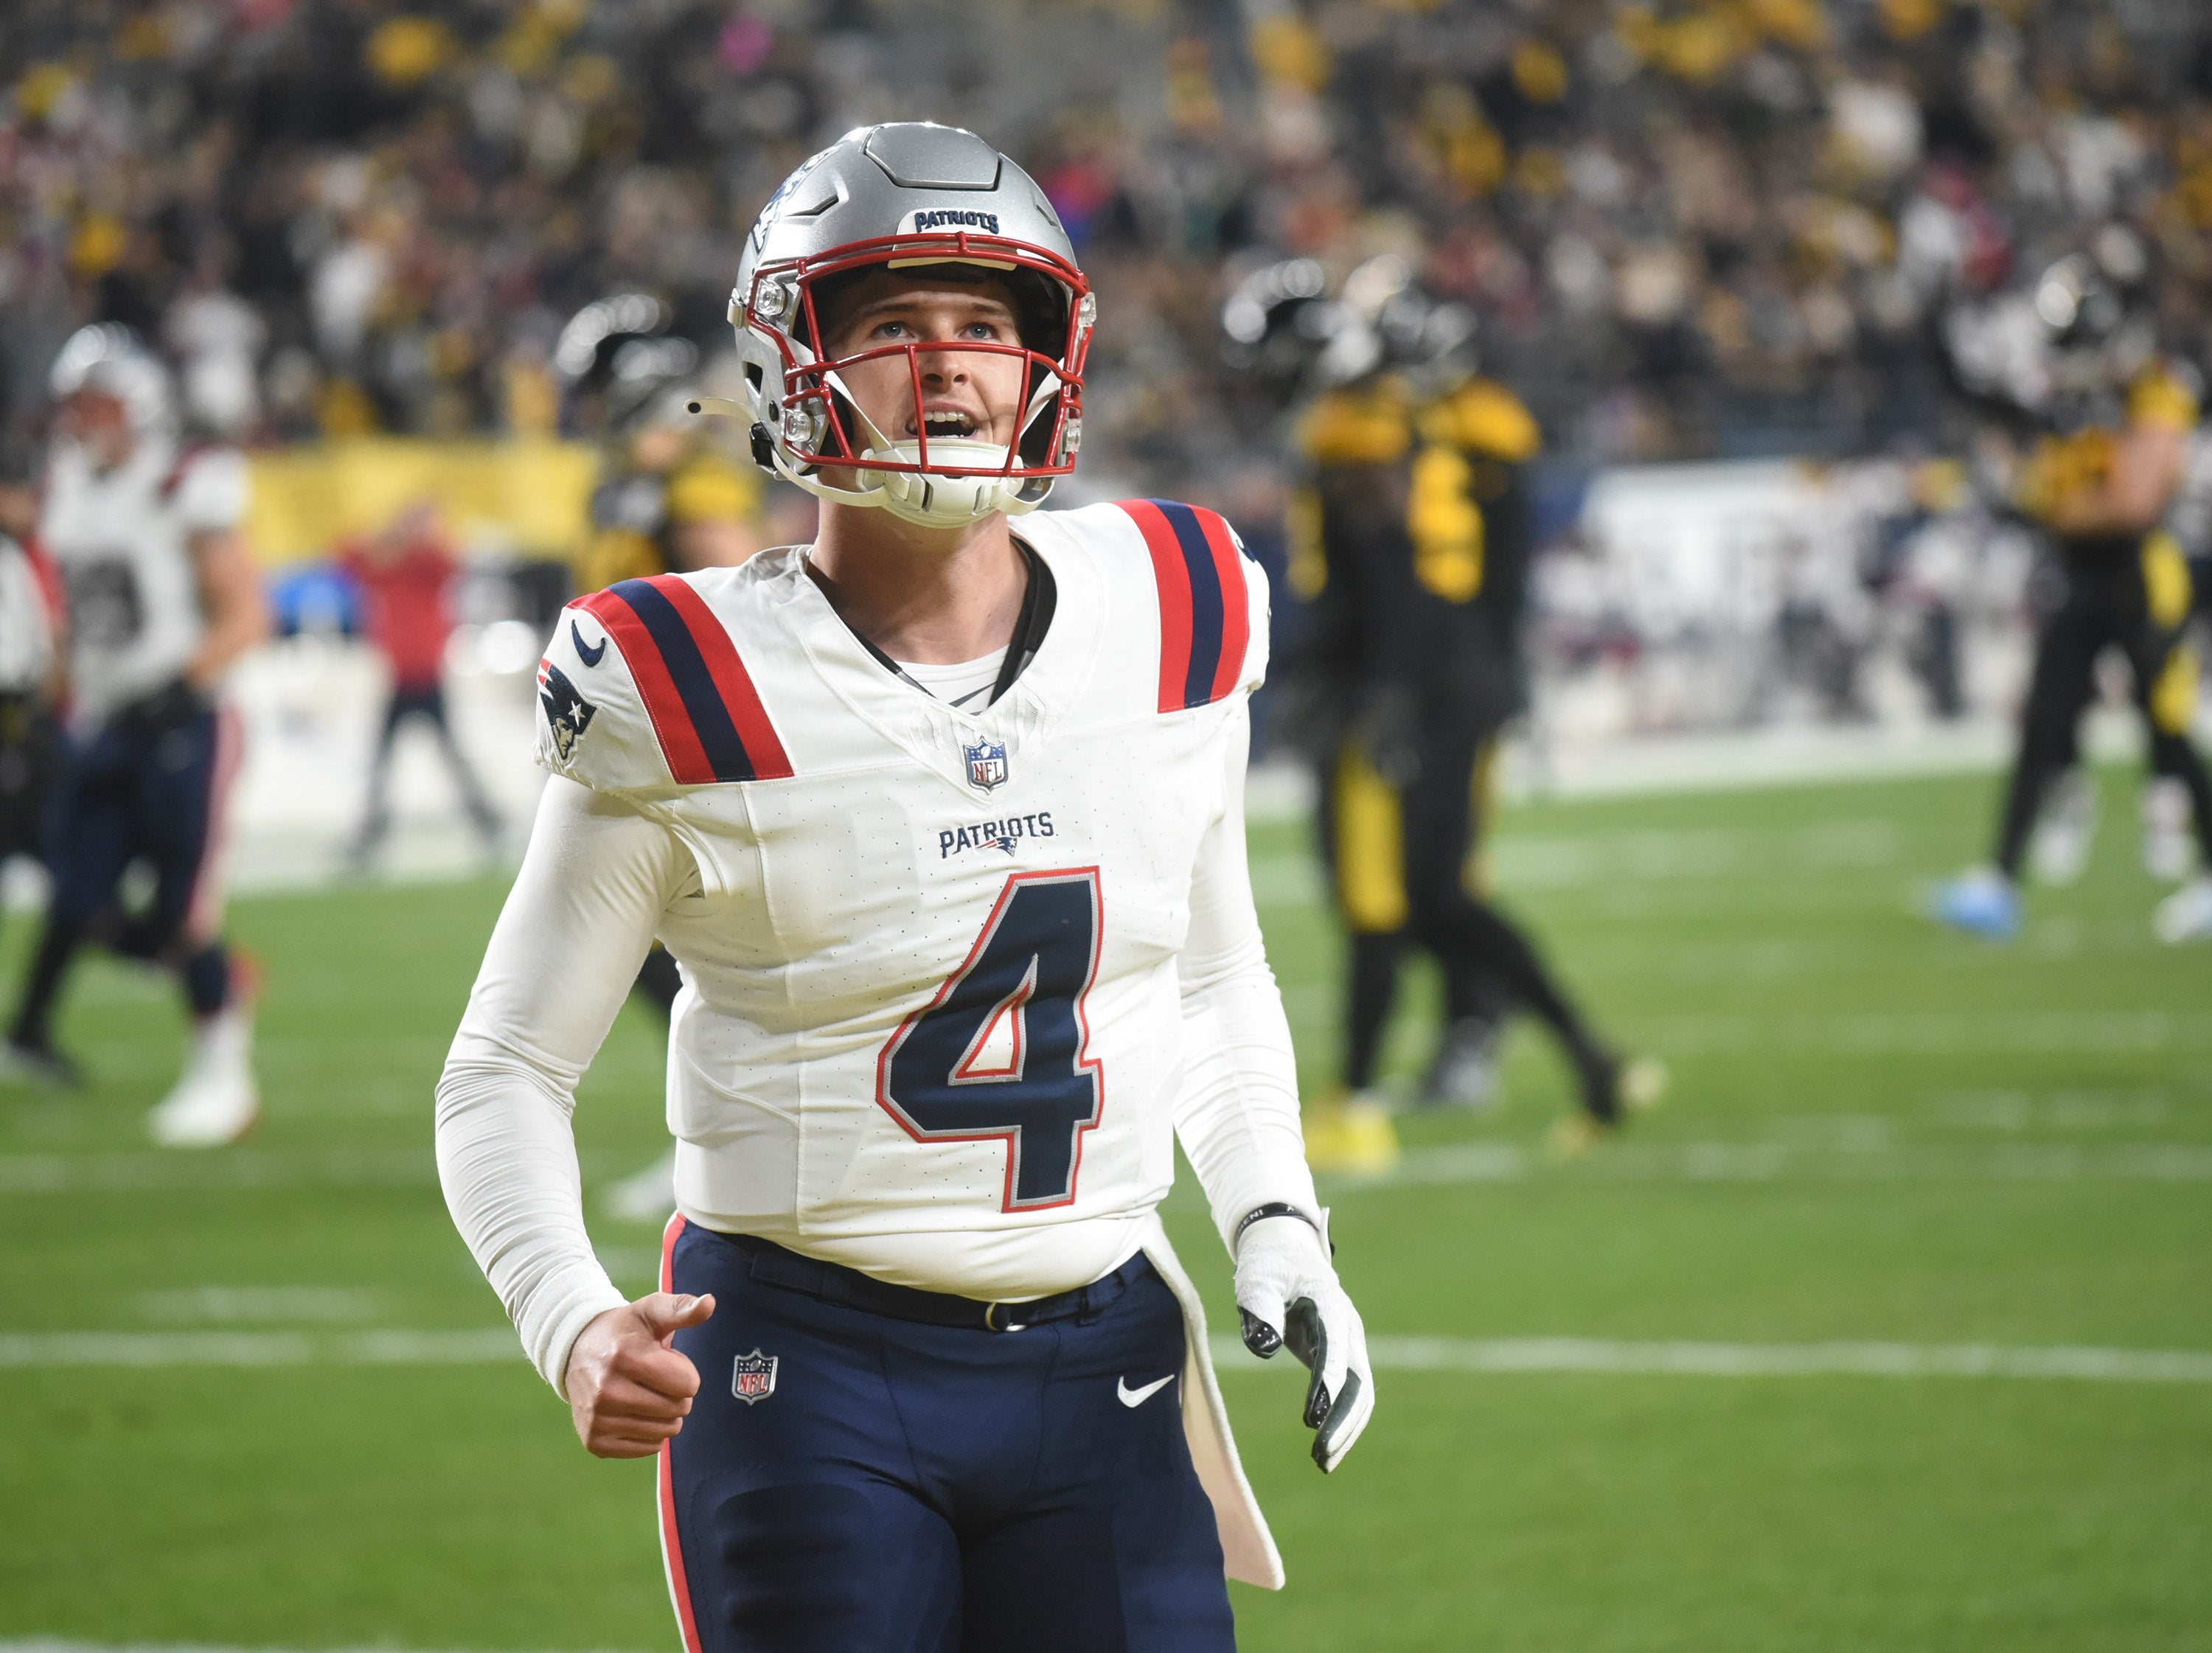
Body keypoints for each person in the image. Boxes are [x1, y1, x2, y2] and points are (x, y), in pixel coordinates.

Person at [436, 123, 1372, 1652]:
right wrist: (568, 1312)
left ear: (1047, 357)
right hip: (809, 1366)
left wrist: (1276, 1217)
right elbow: (504, 1067)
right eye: (888, 324)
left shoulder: (1176, 603)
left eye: (986, 324)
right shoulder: (683, 676)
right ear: (791, 362)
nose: (947, 365)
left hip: (1107, 1354)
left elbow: (1208, 978)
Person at [1232, 258, 1660, 1171]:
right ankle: (1589, 1059)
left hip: (1409, 684)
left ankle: (1356, 1101)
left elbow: (1391, 576)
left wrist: (1375, 689)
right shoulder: (1401, 418)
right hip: (1438, 675)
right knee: (1433, 901)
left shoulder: (1361, 428)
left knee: (1381, 900)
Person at [2, 327, 269, 1144]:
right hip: (105, 720)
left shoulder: (182, 483)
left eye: (102, 402)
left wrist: (182, 684)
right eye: (79, 403)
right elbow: (72, 606)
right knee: (78, 900)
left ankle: (223, 1073)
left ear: (141, 405)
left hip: (183, 720)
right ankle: (218, 1002)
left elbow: (245, 613)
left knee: (186, 907)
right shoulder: (73, 484)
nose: (88, 419)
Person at [1933, 352, 2212, 942]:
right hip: (2079, 581)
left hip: (2142, 580)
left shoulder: (2151, 389)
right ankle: (2000, 879)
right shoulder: (2058, 402)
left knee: (2167, 731)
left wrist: (2055, 503)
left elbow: (2134, 503)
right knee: (2043, 725)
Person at [338, 501, 503, 863]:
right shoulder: (387, 566)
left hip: (427, 677)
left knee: (443, 757)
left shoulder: (425, 566)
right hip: (399, 678)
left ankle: (488, 822)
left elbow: (451, 561)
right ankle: (372, 832)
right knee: (387, 761)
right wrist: (391, 533)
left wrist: (419, 534)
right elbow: (344, 557)